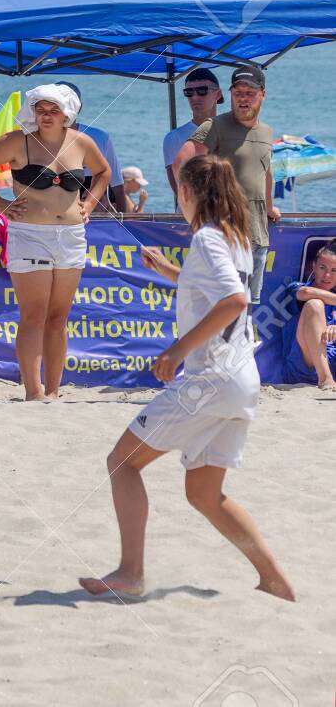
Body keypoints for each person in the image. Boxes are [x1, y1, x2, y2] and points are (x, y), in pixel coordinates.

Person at [79, 155, 294, 602]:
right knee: (203, 492)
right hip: (241, 379)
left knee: (122, 463)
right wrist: (170, 273)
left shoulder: (209, 240)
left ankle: (130, 572)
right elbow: (220, 292)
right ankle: (274, 579)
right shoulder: (234, 238)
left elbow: (233, 301)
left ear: (188, 192)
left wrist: (176, 349)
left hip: (210, 378)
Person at [0, 83, 109, 401]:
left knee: (59, 317)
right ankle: (33, 391)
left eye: (53, 109)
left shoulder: (82, 142)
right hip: (29, 234)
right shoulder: (17, 142)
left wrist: (90, 203)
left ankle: (54, 390)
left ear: (66, 113)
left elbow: (104, 172)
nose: (46, 115)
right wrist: (0, 204)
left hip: (71, 235)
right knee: (33, 314)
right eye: (40, 109)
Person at [173, 63, 278, 306]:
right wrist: (197, 213)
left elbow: (266, 171)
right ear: (229, 95)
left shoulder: (266, 132)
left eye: (250, 93)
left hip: (258, 235)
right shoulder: (215, 126)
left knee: (249, 309)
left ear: (262, 94)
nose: (243, 99)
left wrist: (270, 208)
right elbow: (182, 164)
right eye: (238, 93)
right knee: (221, 306)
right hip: (226, 235)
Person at [57, 81, 126, 213]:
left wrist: (123, 223)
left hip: (94, 210)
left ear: (79, 107)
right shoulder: (38, 139)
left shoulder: (100, 137)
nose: (65, 109)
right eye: (60, 104)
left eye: (70, 104)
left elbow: (116, 183)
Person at [281, 239, 336, 389]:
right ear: (314, 266)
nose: (327, 276)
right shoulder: (296, 288)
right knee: (314, 304)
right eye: (323, 268)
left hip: (333, 361)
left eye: (334, 270)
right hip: (303, 365)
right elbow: (306, 293)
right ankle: (325, 379)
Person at [162, 68, 222, 202]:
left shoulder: (231, 131)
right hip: (190, 217)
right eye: (189, 92)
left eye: (202, 91)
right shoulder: (174, 138)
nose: (195, 97)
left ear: (217, 94)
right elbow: (179, 190)